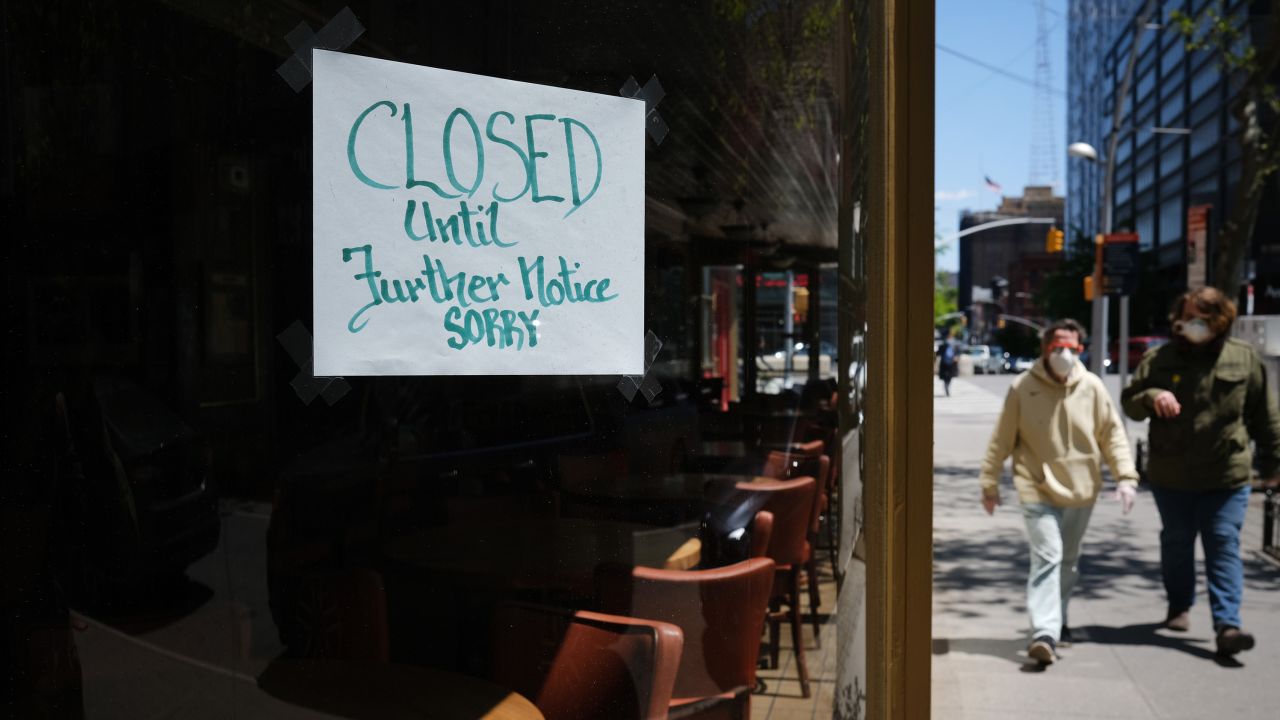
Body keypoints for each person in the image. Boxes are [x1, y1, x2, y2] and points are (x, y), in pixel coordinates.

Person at [1121, 287, 1280, 657]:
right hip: (1171, 475)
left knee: (1223, 543)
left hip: (1226, 476)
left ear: (1219, 321)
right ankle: (1179, 605)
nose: (1191, 324)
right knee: (1176, 544)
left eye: (1201, 318)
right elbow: (1131, 404)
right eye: (1187, 315)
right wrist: (1151, 396)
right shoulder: (1158, 359)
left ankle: (1227, 625)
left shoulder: (1244, 359)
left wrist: (1274, 466)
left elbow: (1265, 417)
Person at [979, 319, 1138, 665]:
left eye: (1073, 348)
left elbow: (1112, 434)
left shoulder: (1093, 387)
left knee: (1067, 560)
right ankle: (1044, 632)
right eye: (1058, 347)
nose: (1065, 354)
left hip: (1082, 490)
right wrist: (989, 483)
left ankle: (1059, 619)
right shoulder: (1022, 387)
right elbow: (1002, 439)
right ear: (1044, 350)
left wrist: (1126, 477)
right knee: (1048, 558)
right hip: (1037, 488)